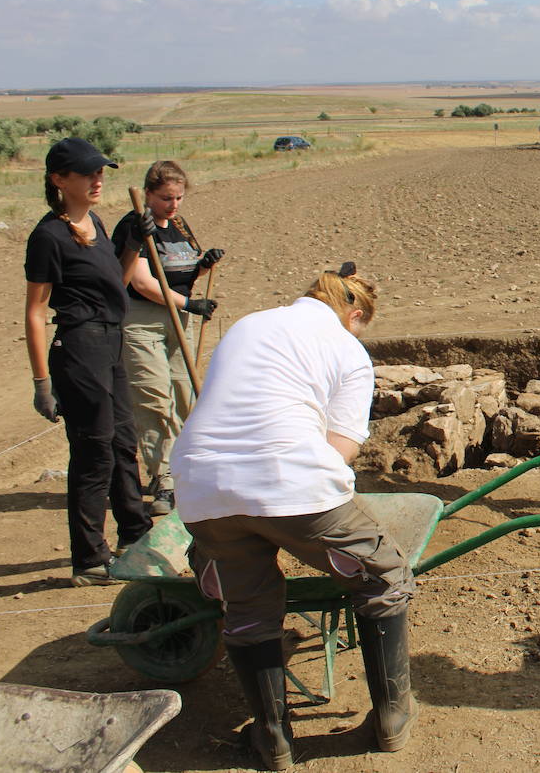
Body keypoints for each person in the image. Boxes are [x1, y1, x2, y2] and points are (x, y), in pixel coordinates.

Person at [171, 265, 415, 770]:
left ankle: (272, 739)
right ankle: (392, 718)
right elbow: (338, 450)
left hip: (201, 486)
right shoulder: (348, 349)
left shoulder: (248, 325)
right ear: (353, 314)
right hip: (293, 486)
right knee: (385, 573)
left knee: (248, 606)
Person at [24, 137, 155, 587]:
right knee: (93, 452)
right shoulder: (48, 236)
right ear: (59, 180)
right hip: (79, 349)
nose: (98, 179)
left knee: (122, 442)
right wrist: (42, 380)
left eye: (101, 172)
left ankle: (135, 534)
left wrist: (133, 245)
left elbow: (113, 287)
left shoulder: (95, 222)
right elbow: (36, 312)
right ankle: (89, 558)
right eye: (87, 173)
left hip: (112, 342)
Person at [110, 160, 222, 517]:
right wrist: (190, 302)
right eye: (165, 198)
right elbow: (142, 282)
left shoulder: (178, 226)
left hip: (179, 321)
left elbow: (182, 269)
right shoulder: (135, 226)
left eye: (178, 198)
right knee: (154, 398)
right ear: (148, 194)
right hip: (143, 321)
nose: (172, 205)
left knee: (185, 394)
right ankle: (163, 479)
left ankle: (190, 470)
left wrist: (205, 264)